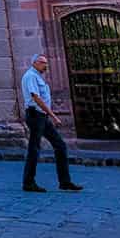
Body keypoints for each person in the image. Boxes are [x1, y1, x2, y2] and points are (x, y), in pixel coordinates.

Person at [21, 54, 82, 193]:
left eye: (46, 62)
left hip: (41, 117)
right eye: (43, 62)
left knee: (60, 145)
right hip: (35, 115)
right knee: (34, 149)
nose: (46, 65)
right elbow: (36, 97)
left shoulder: (37, 76)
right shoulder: (31, 76)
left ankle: (65, 182)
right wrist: (54, 116)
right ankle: (28, 183)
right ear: (35, 63)